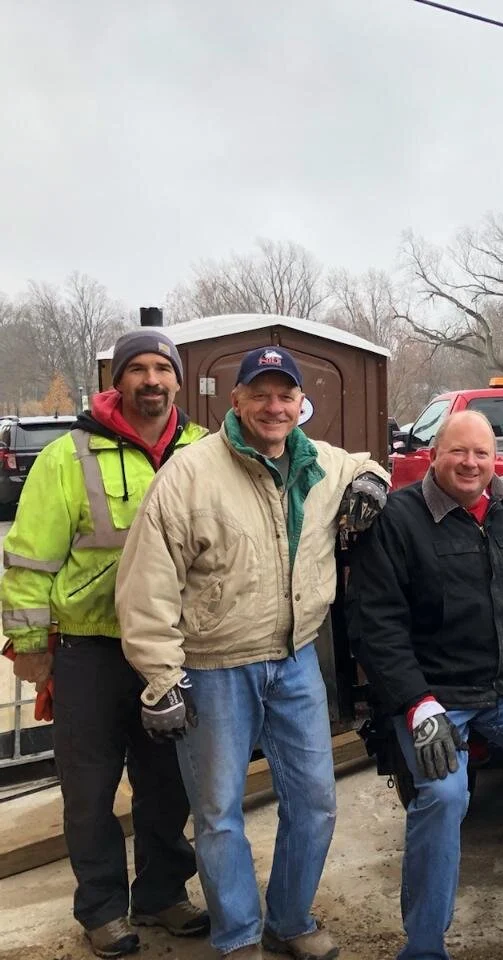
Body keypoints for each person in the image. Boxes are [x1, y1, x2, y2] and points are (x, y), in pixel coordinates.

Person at [115, 346, 390, 960]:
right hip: (214, 668)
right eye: (260, 394)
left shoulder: (319, 461)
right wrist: (162, 679)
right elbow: (146, 584)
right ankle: (238, 935)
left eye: (284, 395)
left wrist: (372, 479)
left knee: (315, 801)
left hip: (295, 661)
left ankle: (288, 921)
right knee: (217, 814)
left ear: (300, 403)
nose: (274, 406)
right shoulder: (190, 475)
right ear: (235, 401)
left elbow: (368, 464)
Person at [344, 410, 503, 960]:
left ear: (494, 458)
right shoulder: (398, 522)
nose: (471, 463)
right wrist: (415, 704)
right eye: (458, 452)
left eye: (481, 453)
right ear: (434, 455)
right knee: (441, 794)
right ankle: (425, 946)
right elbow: (377, 626)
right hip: (436, 692)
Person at [1, 330, 208, 959]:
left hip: (172, 652)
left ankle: (162, 895)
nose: (150, 380)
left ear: (178, 379)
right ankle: (101, 910)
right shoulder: (69, 456)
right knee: (88, 791)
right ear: (116, 381)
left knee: (168, 783)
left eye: (161, 369)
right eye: (137, 369)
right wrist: (31, 649)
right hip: (89, 651)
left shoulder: (205, 451)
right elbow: (30, 559)